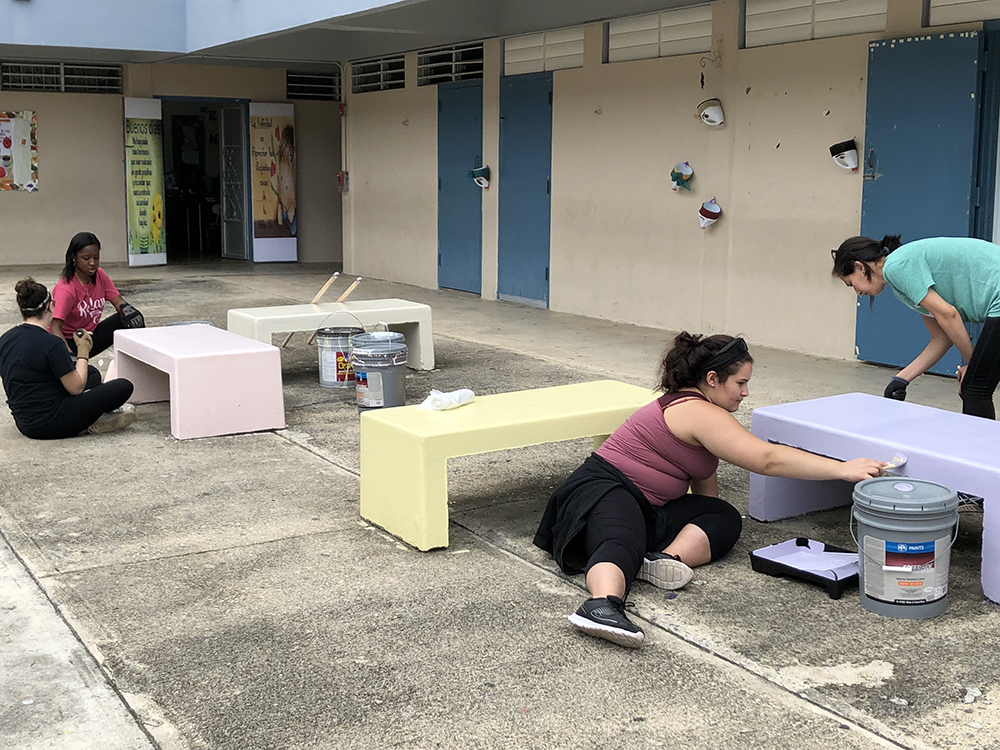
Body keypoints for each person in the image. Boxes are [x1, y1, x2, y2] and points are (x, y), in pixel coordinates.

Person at [533, 333, 886, 649]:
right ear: (713, 379)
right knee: (619, 539)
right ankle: (602, 604)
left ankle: (660, 561)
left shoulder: (707, 412)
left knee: (723, 517)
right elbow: (766, 460)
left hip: (648, 507)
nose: (746, 393)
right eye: (741, 383)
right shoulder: (695, 409)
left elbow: (704, 495)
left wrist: (706, 523)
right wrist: (843, 470)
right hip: (604, 490)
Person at [832, 234, 1000, 419]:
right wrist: (901, 379)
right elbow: (941, 339)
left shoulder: (896, 267)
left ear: (859, 266)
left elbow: (948, 315)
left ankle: (980, 448)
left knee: (974, 389)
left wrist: (971, 364)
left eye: (851, 283)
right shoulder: (901, 282)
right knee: (975, 385)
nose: (857, 292)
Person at [0, 278, 136, 439]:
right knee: (122, 386)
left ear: (21, 309)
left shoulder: (6, 338)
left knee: (91, 374)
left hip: (24, 422)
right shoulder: (52, 343)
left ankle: (86, 416)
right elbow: (76, 388)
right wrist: (83, 350)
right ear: (51, 306)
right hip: (52, 421)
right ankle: (89, 423)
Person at [49, 232, 144, 359]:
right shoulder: (66, 289)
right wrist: (69, 356)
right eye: (86, 258)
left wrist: (129, 312)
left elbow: (118, 302)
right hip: (69, 342)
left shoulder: (100, 275)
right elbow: (54, 328)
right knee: (92, 376)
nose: (92, 263)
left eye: (96, 257)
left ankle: (139, 361)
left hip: (89, 337)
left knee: (131, 318)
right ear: (74, 258)